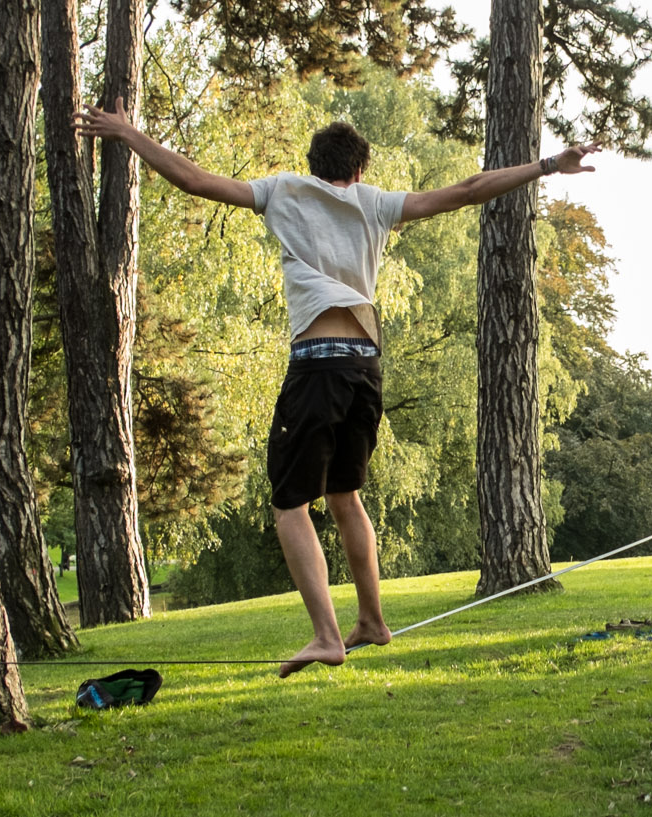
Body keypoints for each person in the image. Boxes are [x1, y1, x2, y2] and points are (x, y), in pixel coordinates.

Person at [76, 102, 601, 677]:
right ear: (358, 169)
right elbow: (472, 189)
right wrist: (551, 164)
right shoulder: (375, 203)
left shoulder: (283, 191)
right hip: (365, 368)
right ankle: (372, 620)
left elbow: (193, 179)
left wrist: (127, 132)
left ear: (313, 164)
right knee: (345, 497)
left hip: (317, 367)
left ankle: (327, 635)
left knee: (288, 505)